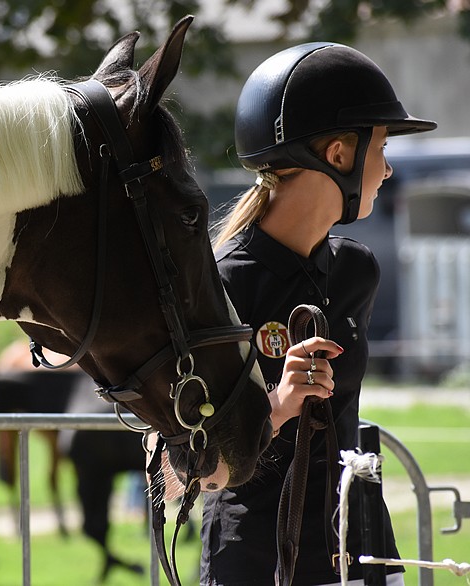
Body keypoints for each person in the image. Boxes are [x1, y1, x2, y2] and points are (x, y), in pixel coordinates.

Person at [201, 42, 437, 585]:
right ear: (338, 154)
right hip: (255, 561)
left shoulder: (357, 270)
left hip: (362, 549)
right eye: (380, 146)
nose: (388, 167)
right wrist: (277, 405)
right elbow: (186, 474)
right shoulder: (221, 283)